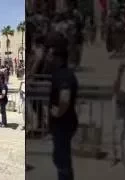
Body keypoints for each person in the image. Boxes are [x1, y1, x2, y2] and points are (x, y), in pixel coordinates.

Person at [48, 37, 78, 180]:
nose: (49, 58)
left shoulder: (64, 75)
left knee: (61, 159)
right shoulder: (61, 74)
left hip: (63, 124)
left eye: (51, 55)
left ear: (58, 58)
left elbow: (65, 98)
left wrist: (56, 112)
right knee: (61, 158)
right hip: (63, 123)